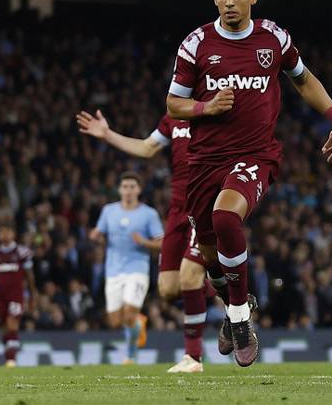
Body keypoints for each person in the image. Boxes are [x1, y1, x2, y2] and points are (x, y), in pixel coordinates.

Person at [165, 0, 332, 367]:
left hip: (255, 156)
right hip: (202, 163)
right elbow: (173, 103)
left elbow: (303, 80)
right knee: (212, 259)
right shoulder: (196, 45)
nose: (228, 2)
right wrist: (206, 106)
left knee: (227, 217)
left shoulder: (273, 39)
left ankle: (239, 318)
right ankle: (234, 302)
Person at [76, 110, 223, 373]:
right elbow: (146, 147)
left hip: (204, 206)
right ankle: (228, 293)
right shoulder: (173, 118)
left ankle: (193, 357)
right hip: (177, 211)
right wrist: (107, 134)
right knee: (168, 289)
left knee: (190, 277)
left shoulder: (216, 114)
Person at [90, 172, 164, 364]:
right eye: (125, 187)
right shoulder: (108, 211)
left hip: (137, 269)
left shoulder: (149, 214)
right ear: (119, 190)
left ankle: (130, 355)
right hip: (113, 270)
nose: (128, 190)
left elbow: (163, 243)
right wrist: (95, 236)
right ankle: (137, 324)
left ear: (139, 189)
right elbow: (98, 233)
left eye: (132, 187)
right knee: (115, 320)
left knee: (130, 312)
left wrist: (144, 242)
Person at [0, 224, 38, 367]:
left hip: (16, 295)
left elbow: (29, 276)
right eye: (2, 232)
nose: (4, 235)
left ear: (13, 234)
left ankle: (11, 359)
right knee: (4, 326)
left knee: (12, 322)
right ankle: (9, 354)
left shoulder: (22, 252)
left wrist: (33, 294)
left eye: (7, 231)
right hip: (0, 295)